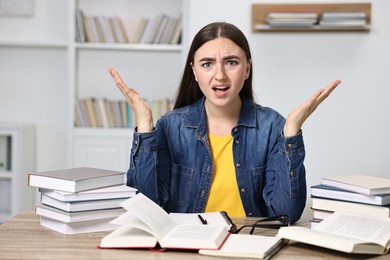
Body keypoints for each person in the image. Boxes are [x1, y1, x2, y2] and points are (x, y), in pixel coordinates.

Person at [108, 22, 340, 224]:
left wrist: (291, 132)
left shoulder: (272, 126)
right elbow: (144, 209)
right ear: (195, 72)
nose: (219, 75)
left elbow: (286, 213)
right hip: (186, 247)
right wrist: (145, 125)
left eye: (231, 62)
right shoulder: (170, 126)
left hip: (250, 244)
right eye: (207, 64)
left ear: (247, 69)